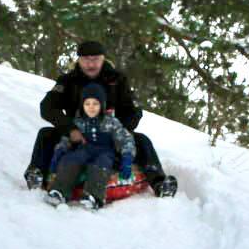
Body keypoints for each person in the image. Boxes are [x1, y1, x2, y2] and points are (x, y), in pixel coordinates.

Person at [24, 40, 176, 197]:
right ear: (79, 60)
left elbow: (133, 112)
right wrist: (70, 129)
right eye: (86, 60)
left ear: (103, 58)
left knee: (142, 140)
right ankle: (36, 175)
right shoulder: (68, 81)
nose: (91, 64)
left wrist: (116, 132)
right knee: (46, 134)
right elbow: (47, 108)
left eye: (95, 59)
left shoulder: (117, 80)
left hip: (108, 135)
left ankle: (159, 182)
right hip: (76, 136)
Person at [44, 83, 136, 210]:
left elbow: (126, 139)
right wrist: (60, 151)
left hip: (104, 152)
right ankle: (59, 191)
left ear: (102, 105)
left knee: (101, 164)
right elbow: (67, 139)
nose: (91, 107)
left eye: (95, 104)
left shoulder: (111, 122)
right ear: (82, 105)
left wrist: (127, 157)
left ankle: (94, 196)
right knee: (71, 159)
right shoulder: (79, 122)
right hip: (84, 150)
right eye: (87, 104)